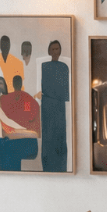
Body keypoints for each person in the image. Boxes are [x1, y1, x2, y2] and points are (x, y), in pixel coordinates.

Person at [36, 39, 69, 172]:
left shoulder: (64, 67)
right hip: (47, 106)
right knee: (48, 137)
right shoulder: (44, 67)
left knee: (60, 137)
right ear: (49, 51)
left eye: (57, 49)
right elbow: (40, 89)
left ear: (60, 51)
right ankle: (48, 168)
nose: (55, 51)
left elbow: (66, 92)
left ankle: (61, 168)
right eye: (53, 49)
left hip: (60, 107)